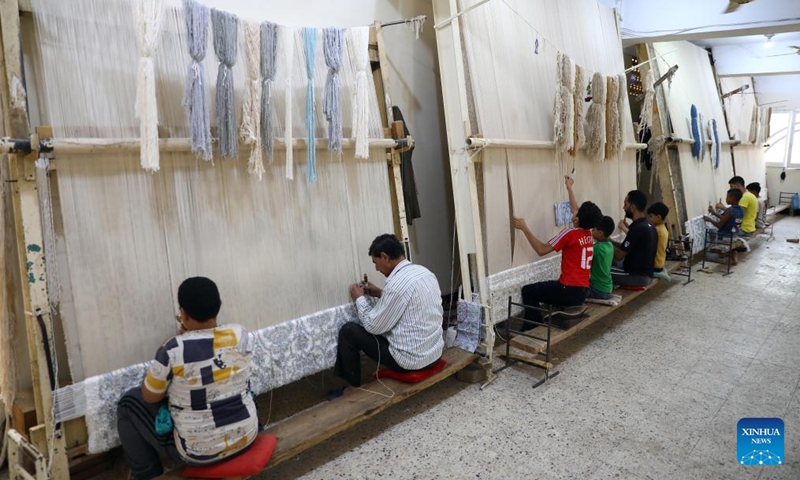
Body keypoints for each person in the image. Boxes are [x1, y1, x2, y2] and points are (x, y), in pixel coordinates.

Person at [117, 277, 258, 480]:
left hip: (199, 453)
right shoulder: (240, 334)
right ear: (218, 306)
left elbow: (150, 397)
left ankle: (147, 475)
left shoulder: (173, 349)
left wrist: (166, 348)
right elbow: (212, 352)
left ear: (183, 313)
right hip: (247, 436)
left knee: (128, 403)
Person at [334, 234, 444, 392]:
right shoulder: (424, 272)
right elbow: (408, 302)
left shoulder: (395, 285)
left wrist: (359, 299)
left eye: (375, 263)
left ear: (384, 257)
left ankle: (352, 388)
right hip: (434, 353)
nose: (376, 269)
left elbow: (373, 327)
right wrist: (380, 293)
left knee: (349, 331)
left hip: (411, 361)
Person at [513, 175, 602, 326]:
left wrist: (524, 228)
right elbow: (575, 209)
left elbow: (541, 250)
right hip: (583, 290)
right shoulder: (588, 233)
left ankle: (532, 328)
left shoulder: (570, 234)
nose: (575, 213)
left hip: (568, 290)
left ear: (577, 219)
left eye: (577, 214)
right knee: (547, 288)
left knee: (528, 291)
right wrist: (569, 187)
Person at [611, 190, 658, 287]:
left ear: (633, 207)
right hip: (647, 275)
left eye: (625, 204)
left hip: (636, 277)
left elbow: (619, 255)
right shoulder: (649, 225)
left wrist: (603, 242)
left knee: (599, 273)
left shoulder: (637, 229)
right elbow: (626, 247)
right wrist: (610, 241)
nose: (623, 207)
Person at [704, 188, 745, 265]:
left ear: (733, 198)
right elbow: (726, 219)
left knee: (708, 255)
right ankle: (733, 254)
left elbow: (719, 225)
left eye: (727, 197)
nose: (726, 199)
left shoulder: (730, 210)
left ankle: (723, 257)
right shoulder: (741, 210)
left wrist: (709, 219)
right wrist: (714, 213)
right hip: (735, 236)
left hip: (725, 238)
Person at [588, 216, 615, 300]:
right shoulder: (610, 245)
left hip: (598, 290)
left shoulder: (597, 248)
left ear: (600, 233)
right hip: (608, 288)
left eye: (593, 229)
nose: (591, 231)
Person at [647, 202, 671, 281]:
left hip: (655, 266)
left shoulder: (656, 230)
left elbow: (640, 239)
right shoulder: (663, 229)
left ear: (658, 217)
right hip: (660, 264)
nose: (649, 219)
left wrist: (624, 229)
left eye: (651, 216)